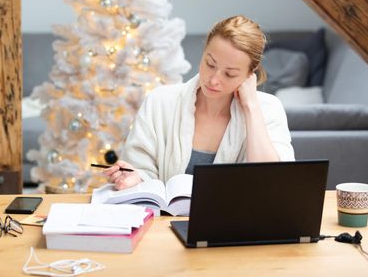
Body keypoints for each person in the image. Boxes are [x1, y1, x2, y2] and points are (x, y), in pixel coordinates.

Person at [104, 15, 295, 190]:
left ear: (249, 74)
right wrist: (135, 177)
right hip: (162, 224)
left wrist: (251, 108)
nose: (213, 80)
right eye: (210, 64)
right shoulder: (160, 102)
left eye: (230, 74)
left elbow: (273, 182)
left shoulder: (268, 109)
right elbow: (141, 169)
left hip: (236, 226)